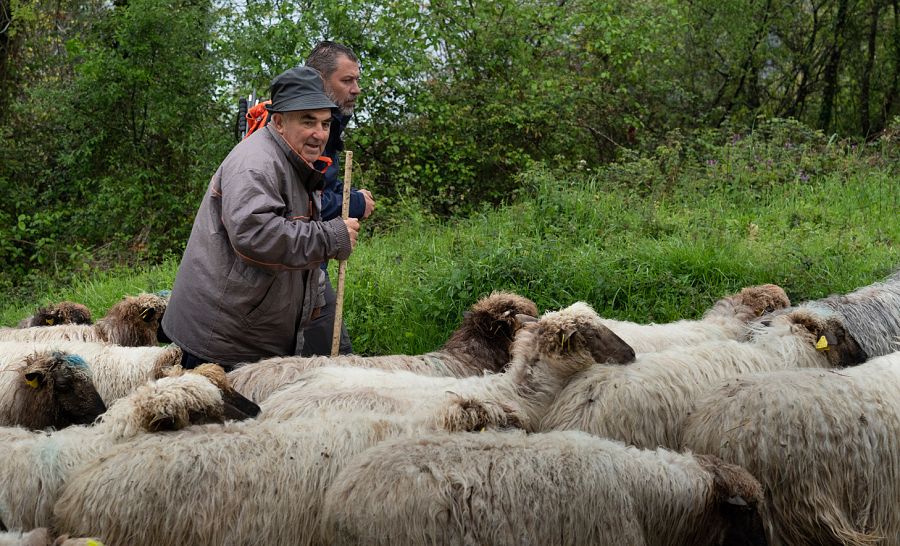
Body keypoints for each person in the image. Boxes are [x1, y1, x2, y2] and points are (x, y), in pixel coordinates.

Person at [161, 66, 359, 369]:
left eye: (325, 123)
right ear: (279, 122)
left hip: (245, 334)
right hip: (222, 345)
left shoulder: (292, 158)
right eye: (308, 121)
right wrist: (330, 237)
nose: (319, 134)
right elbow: (257, 236)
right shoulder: (256, 164)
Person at [298, 41, 375, 356]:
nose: (356, 89)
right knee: (336, 358)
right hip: (299, 264)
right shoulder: (307, 128)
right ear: (320, 80)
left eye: (357, 80)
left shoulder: (326, 122)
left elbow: (321, 180)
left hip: (311, 260)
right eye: (347, 81)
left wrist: (349, 191)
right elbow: (305, 203)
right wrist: (356, 203)